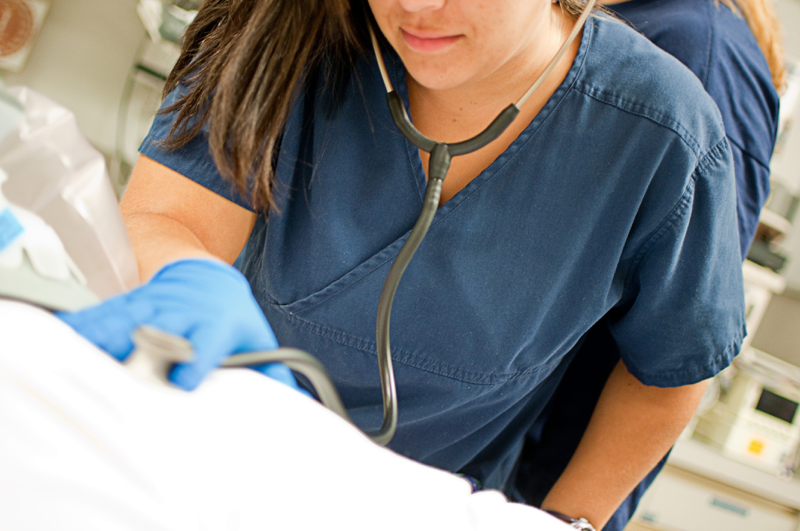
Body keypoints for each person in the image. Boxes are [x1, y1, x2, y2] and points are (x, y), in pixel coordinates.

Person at [58, 1, 746, 529]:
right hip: (206, 468)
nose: (415, 7)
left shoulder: (659, 136)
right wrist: (189, 275)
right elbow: (166, 217)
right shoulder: (292, 28)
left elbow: (671, 372)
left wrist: (562, 520)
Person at [514, 0, 785, 528]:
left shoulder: (700, 52)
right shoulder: (614, 21)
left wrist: (563, 517)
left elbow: (681, 345)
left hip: (538, 483)